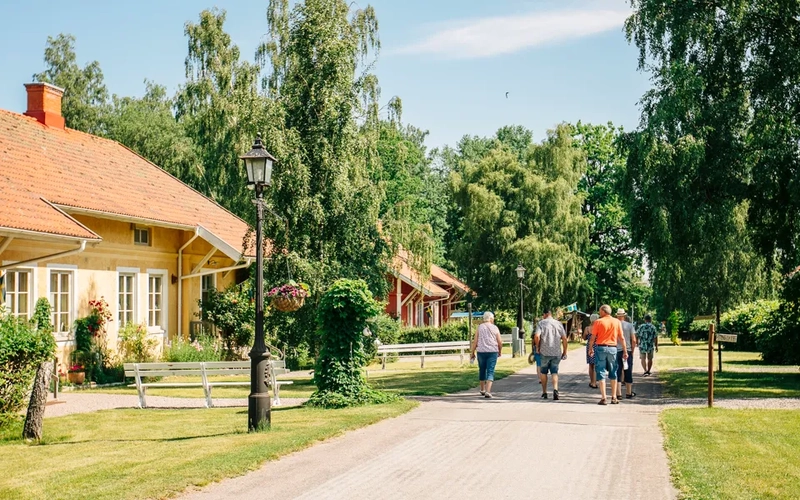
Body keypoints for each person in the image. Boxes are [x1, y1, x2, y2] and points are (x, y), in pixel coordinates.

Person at [588, 304, 627, 405]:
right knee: (613, 372)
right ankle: (614, 397)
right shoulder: (617, 322)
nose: (599, 313)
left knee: (601, 371)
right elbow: (621, 338)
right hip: (613, 348)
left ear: (603, 311)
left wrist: (590, 348)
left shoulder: (598, 322)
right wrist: (625, 351)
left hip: (600, 348)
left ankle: (604, 398)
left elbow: (593, 337)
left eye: (600, 311)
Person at [534, 309, 568, 400]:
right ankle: (555, 390)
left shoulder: (541, 323)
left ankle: (544, 392)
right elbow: (564, 338)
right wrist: (565, 351)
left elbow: (536, 336)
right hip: (556, 352)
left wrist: (537, 347)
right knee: (554, 372)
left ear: (545, 314)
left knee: (543, 372)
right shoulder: (558, 324)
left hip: (544, 352)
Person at [470, 311, 502, 398]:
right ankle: (488, 391)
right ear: (491, 319)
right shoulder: (495, 328)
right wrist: (500, 350)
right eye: (493, 318)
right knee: (490, 371)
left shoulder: (479, 327)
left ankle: (482, 389)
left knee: (482, 369)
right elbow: (500, 341)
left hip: (481, 352)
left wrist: (472, 352)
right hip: (492, 352)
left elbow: (475, 341)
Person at [616, 308, 637, 399]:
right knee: (628, 371)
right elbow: (634, 340)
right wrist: (632, 350)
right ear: (624, 315)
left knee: (617, 372)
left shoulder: (614, 325)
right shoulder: (629, 325)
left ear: (617, 316)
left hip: (616, 351)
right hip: (627, 351)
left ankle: (618, 394)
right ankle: (628, 392)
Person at [583, 313, 599, 388]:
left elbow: (584, 338)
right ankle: (595, 382)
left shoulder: (587, 328)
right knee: (596, 365)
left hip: (589, 346)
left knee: (591, 365)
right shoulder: (599, 328)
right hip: (597, 346)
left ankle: (592, 381)